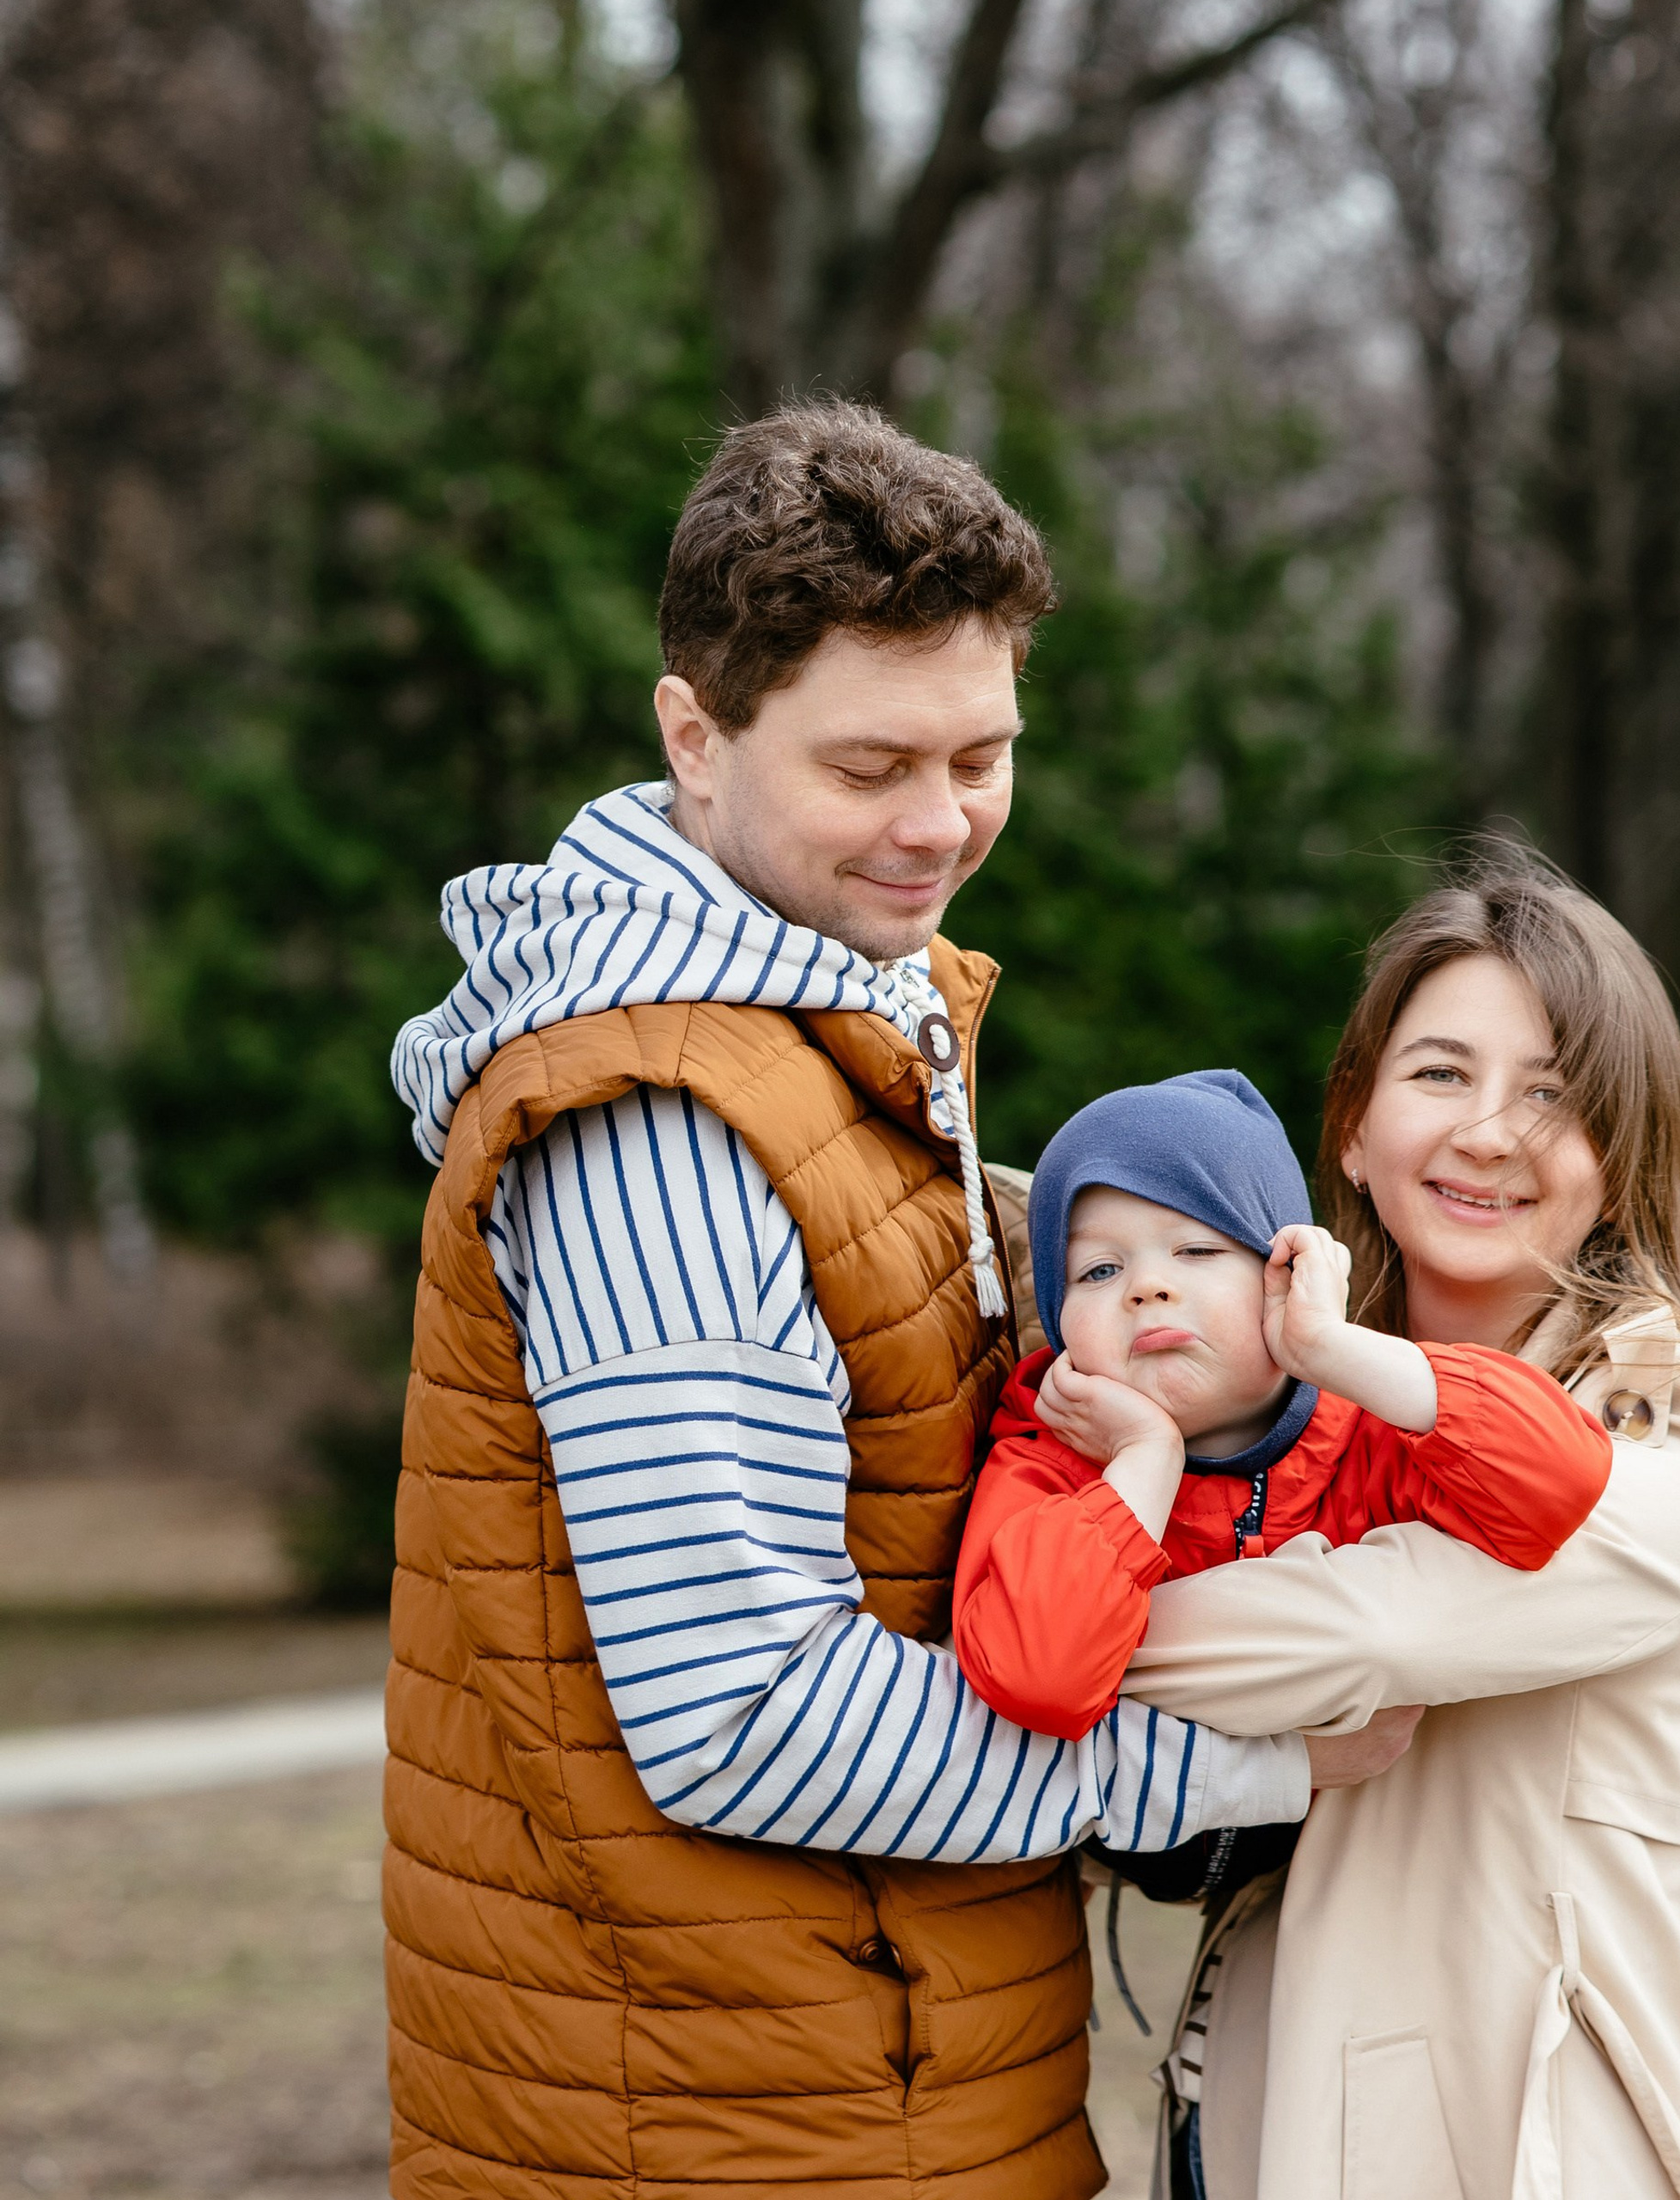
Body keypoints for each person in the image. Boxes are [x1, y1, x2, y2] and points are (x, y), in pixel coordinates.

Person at [378, 400, 1413, 2200]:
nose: (939, 824)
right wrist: (1242, 1761)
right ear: (694, 736)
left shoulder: (827, 1024)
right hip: (736, 2124)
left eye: (982, 753)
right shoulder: (662, 1130)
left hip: (866, 2071)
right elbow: (746, 1711)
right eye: (868, 767)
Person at [1121, 860, 1680, 2200]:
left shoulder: (1677, 1442)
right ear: (1353, 1129)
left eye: (1553, 1092)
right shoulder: (1272, 1429)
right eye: (1438, 1074)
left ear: (1621, 1160)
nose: (1491, 1131)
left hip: (1514, 2148)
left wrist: (1034, 1626)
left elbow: (1375, 1622)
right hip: (1246, 2112)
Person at [951, 1067, 1613, 1746]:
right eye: (1099, 1270)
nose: (1147, 1286)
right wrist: (1145, 1458)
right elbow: (1037, 1683)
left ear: (1285, 1274)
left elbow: (1558, 1485)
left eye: (1198, 1249)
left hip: (1338, 1844)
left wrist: (1329, 1345)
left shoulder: (1372, 1439)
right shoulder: (1044, 1471)